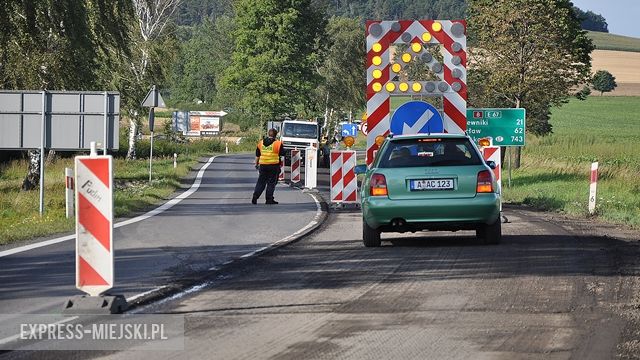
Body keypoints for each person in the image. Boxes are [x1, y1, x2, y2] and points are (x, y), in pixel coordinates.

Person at [252, 128, 285, 205]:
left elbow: (257, 155)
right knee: (271, 183)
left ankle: (255, 196)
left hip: (263, 166)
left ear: (268, 134)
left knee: (261, 182)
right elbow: (283, 153)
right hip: (273, 166)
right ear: (276, 135)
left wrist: (256, 164)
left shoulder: (261, 143)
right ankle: (269, 199)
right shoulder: (278, 143)